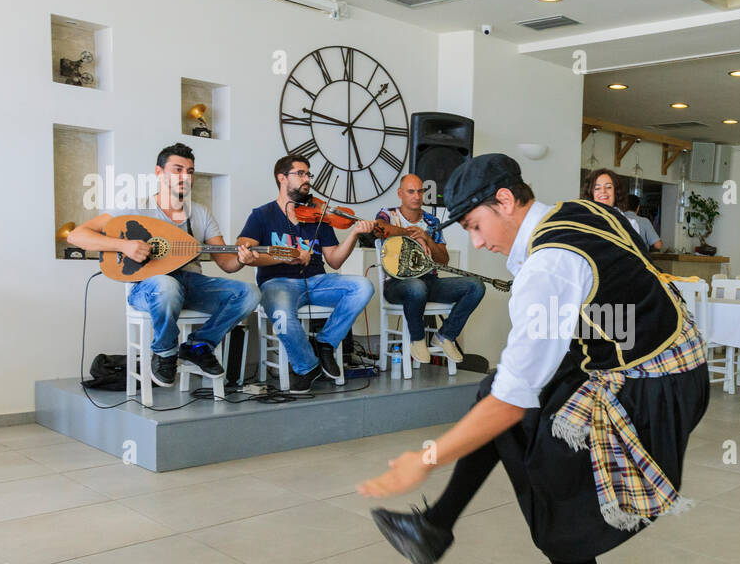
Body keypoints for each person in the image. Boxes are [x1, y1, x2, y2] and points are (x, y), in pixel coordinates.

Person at [358, 154, 709, 564]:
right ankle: (436, 526)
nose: (476, 242)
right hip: (650, 354)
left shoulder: (546, 267)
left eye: (476, 226)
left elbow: (512, 401)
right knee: (493, 394)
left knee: (539, 475)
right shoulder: (577, 212)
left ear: (505, 201)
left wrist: (426, 458)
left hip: (652, 382)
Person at [68, 142, 258, 386]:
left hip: (191, 284)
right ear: (159, 173)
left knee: (249, 293)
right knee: (166, 285)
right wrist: (124, 246)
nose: (185, 177)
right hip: (148, 288)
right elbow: (77, 235)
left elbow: (226, 262)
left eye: (189, 171)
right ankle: (165, 352)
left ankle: (198, 346)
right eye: (177, 169)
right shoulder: (137, 207)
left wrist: (242, 259)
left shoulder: (200, 213)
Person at [235, 156, 374, 393]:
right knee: (281, 313)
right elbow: (246, 249)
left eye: (308, 174)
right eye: (300, 174)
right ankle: (307, 366)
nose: (307, 179)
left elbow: (334, 259)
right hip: (278, 283)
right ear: (282, 178)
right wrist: (287, 256)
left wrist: (353, 235)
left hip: (318, 281)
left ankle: (326, 342)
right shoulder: (262, 215)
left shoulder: (318, 215)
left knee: (363, 286)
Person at [373, 173, 484, 364]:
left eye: (420, 191)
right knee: (417, 287)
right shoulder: (388, 214)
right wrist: (411, 233)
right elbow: (378, 228)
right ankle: (418, 339)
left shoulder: (432, 222)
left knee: (476, 286)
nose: (417, 196)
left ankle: (445, 336)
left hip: (430, 282)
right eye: (411, 192)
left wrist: (427, 238)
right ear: (400, 193)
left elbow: (443, 260)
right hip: (397, 285)